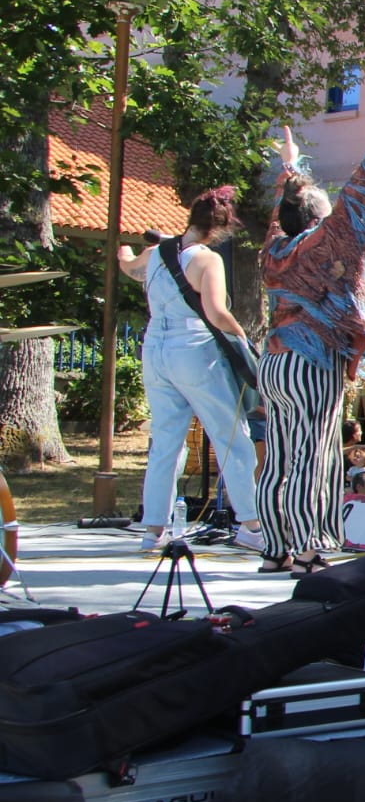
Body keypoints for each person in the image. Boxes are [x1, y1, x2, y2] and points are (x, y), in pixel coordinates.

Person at [256, 121, 365, 574]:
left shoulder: (276, 248)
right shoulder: (320, 243)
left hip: (273, 362)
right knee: (310, 454)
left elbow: (285, 205)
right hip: (309, 360)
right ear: (317, 216)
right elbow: (349, 208)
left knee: (279, 454)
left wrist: (289, 165)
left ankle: (275, 549)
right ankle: (305, 549)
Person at [115, 188, 260, 547]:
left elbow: (129, 268)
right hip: (195, 350)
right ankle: (252, 526)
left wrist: (125, 252)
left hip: (155, 349)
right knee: (230, 436)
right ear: (220, 229)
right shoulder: (207, 260)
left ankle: (154, 529)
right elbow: (215, 313)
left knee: (165, 440)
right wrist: (243, 338)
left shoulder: (155, 254)